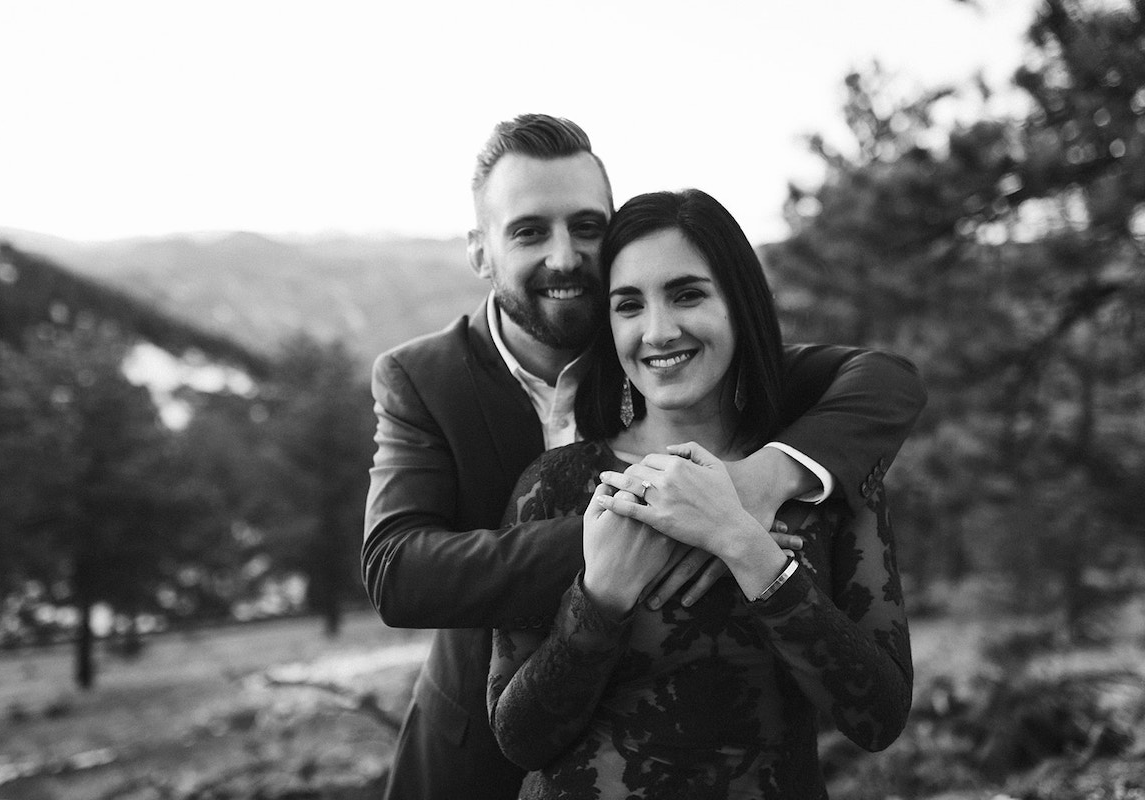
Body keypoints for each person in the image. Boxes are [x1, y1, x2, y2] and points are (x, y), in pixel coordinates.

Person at [363, 114, 925, 800]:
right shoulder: (432, 385)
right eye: (529, 230)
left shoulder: (786, 447)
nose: (565, 257)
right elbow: (397, 570)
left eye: (586, 227)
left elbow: (886, 381)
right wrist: (643, 531)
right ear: (481, 251)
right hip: (467, 757)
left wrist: (749, 506)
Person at [486, 188, 912, 798]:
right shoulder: (554, 485)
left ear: (740, 304)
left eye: (687, 294)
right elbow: (519, 738)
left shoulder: (821, 480)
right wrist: (601, 598)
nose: (658, 331)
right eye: (629, 305)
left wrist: (746, 547)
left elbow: (878, 717)